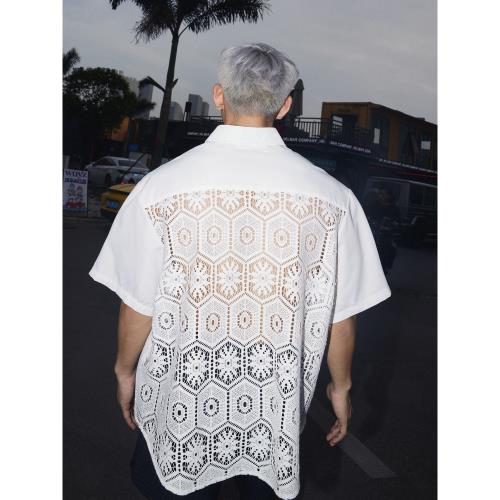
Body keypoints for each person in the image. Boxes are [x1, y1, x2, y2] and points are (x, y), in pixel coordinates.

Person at [89, 42, 391, 500]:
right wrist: (341, 388)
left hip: (182, 403)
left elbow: (138, 306)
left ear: (219, 95)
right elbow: (341, 317)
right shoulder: (333, 200)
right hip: (273, 409)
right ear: (285, 106)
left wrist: (124, 371)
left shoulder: (160, 188)